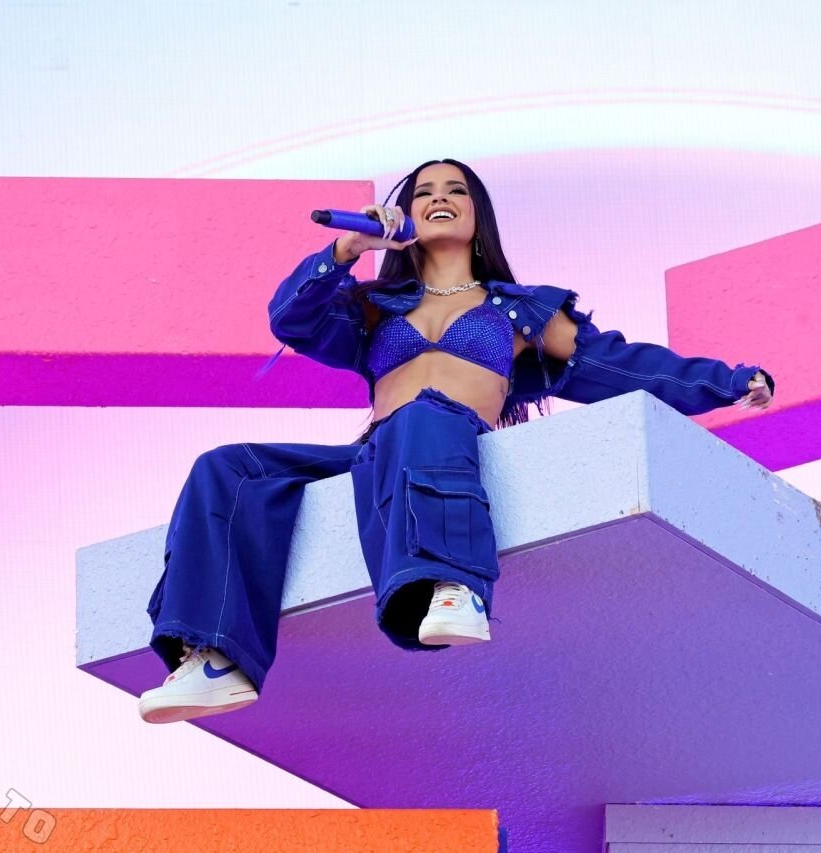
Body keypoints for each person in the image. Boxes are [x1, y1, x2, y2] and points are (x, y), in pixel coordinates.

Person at [138, 159, 775, 724]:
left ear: (477, 214)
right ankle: (217, 658)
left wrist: (724, 382)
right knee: (228, 468)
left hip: (455, 439)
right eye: (423, 192)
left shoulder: (520, 309)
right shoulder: (376, 307)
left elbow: (622, 363)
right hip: (379, 452)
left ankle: (457, 584)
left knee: (424, 414)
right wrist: (347, 249)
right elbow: (291, 319)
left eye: (456, 190)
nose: (439, 197)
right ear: (406, 214)